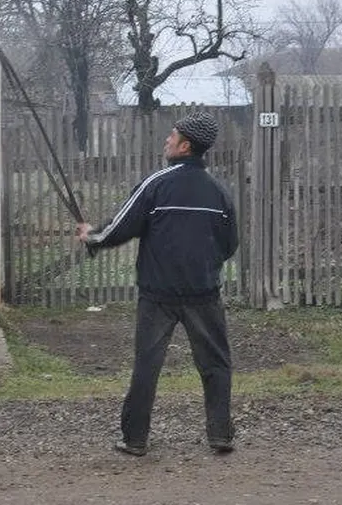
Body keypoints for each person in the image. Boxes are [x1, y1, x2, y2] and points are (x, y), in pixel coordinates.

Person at [76, 110, 239, 457]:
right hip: (204, 294)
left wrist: (91, 236)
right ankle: (220, 435)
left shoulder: (157, 184)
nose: (167, 139)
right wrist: (204, 267)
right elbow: (230, 244)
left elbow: (120, 227)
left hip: (158, 295)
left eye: (172, 136)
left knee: (147, 365)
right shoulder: (218, 193)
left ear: (185, 146)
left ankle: (135, 439)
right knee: (216, 364)